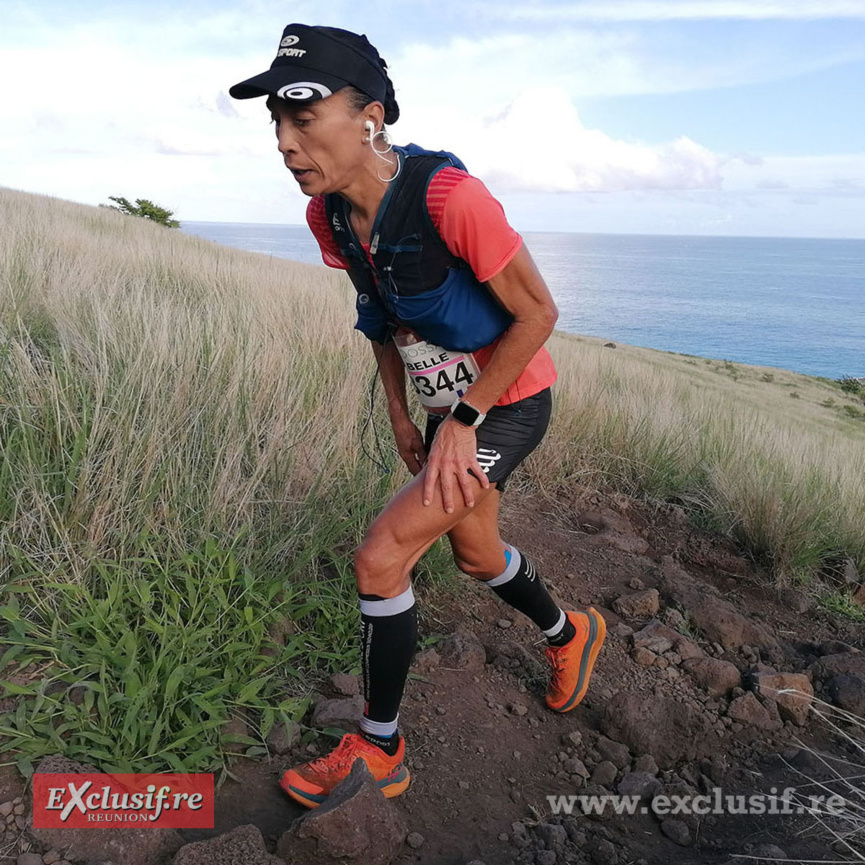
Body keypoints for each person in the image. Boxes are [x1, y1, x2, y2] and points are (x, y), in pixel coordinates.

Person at [229, 23, 606, 810]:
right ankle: (571, 632)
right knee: (475, 555)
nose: (285, 143)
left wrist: (463, 419)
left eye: (303, 118)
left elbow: (538, 312)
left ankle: (379, 747)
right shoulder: (327, 216)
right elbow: (379, 316)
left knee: (381, 555)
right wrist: (402, 415)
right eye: (277, 123)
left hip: (505, 403)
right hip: (444, 408)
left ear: (368, 117)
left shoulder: (446, 196)